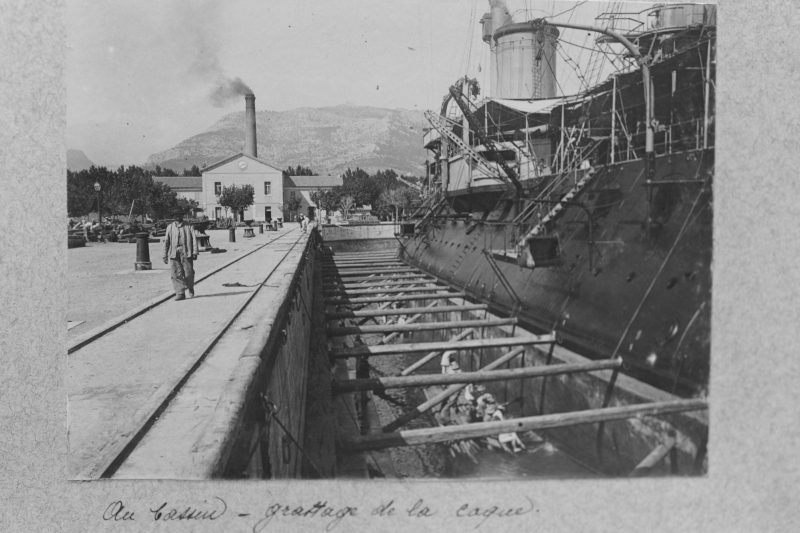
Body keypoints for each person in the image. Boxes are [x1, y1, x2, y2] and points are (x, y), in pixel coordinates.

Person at [162, 208, 198, 301]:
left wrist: (195, 252)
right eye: (175, 215)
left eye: (179, 214)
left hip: (186, 252)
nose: (177, 216)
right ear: (173, 217)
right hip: (174, 253)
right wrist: (164, 255)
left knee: (189, 273)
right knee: (175, 274)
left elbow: (194, 239)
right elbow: (166, 242)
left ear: (182, 215)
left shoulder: (189, 226)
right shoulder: (170, 227)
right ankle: (180, 293)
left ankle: (190, 287)